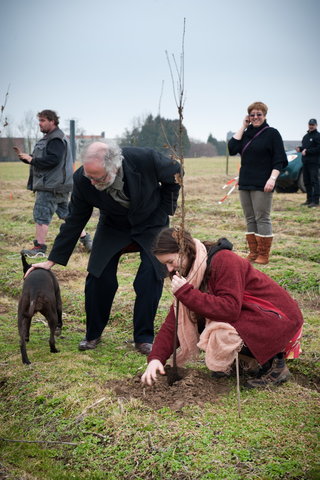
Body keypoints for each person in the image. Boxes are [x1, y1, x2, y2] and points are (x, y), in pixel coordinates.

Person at [25, 141, 181, 355]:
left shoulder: (145, 159)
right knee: (98, 276)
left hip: (151, 222)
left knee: (150, 276)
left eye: (97, 177)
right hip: (113, 226)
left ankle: (143, 337)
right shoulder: (83, 179)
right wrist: (51, 260)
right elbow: (75, 221)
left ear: (114, 167)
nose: (91, 181)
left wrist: (165, 210)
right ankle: (93, 334)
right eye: (89, 176)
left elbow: (176, 174)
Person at [141, 228, 303, 388]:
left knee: (219, 331)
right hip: (254, 315)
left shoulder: (224, 260)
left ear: (184, 250)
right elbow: (176, 320)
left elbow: (229, 309)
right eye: (165, 265)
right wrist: (156, 358)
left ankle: (275, 363)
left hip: (278, 319)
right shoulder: (192, 272)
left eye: (170, 262)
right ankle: (243, 361)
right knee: (197, 316)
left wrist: (187, 294)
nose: (169, 269)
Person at [14, 109, 92, 257]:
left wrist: (32, 160)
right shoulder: (53, 138)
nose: (40, 124)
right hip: (59, 185)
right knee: (67, 215)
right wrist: (28, 158)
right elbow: (48, 159)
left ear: (52, 121)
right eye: (39, 121)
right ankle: (86, 239)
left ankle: (39, 249)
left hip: (50, 186)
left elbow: (53, 160)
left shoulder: (55, 139)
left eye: (43, 121)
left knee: (41, 215)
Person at [228, 101, 288, 265]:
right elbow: (232, 148)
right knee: (250, 218)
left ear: (264, 115)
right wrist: (243, 126)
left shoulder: (272, 134)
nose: (255, 117)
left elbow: (280, 160)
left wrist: (272, 178)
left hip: (263, 182)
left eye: (259, 114)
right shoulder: (246, 133)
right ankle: (253, 252)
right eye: (252, 114)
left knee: (262, 217)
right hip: (245, 182)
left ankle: (263, 254)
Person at [296, 118, 320, 208]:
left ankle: (316, 201)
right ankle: (309, 200)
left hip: (314, 162)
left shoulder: (318, 136)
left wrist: (308, 151)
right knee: (307, 182)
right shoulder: (306, 137)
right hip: (305, 162)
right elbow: (304, 148)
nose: (311, 126)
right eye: (310, 124)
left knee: (314, 181)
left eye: (313, 125)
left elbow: (318, 148)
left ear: (316, 125)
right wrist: (300, 148)